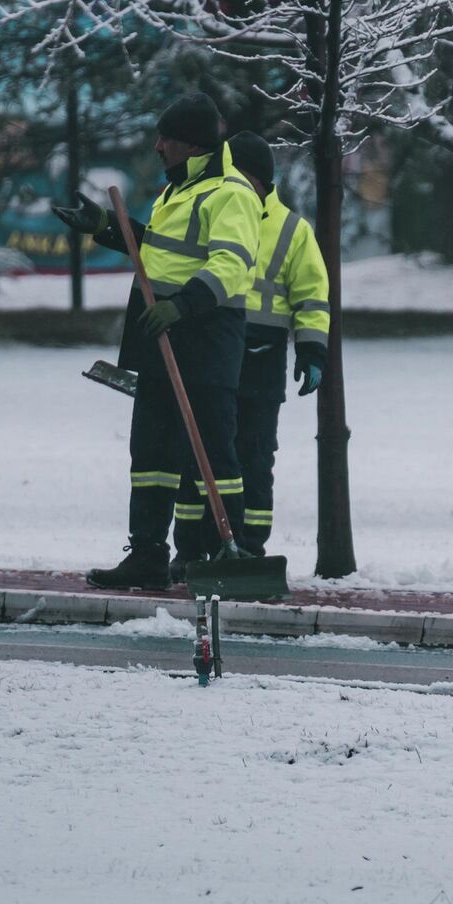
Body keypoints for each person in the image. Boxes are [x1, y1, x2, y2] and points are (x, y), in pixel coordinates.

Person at [53, 92, 262, 590]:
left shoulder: (231, 193)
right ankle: (146, 553)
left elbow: (232, 265)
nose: (156, 146)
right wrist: (107, 228)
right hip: (160, 333)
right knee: (150, 453)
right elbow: (161, 251)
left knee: (212, 451)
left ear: (190, 144)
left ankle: (222, 554)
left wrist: (183, 305)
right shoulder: (178, 191)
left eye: (165, 138)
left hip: (205, 336)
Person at [198, 131, 330, 568]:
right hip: (216, 350)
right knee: (206, 452)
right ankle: (200, 543)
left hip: (259, 357)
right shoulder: (213, 209)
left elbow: (311, 295)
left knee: (254, 454)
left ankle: (250, 543)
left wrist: (312, 351)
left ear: (255, 178)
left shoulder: (293, 229)